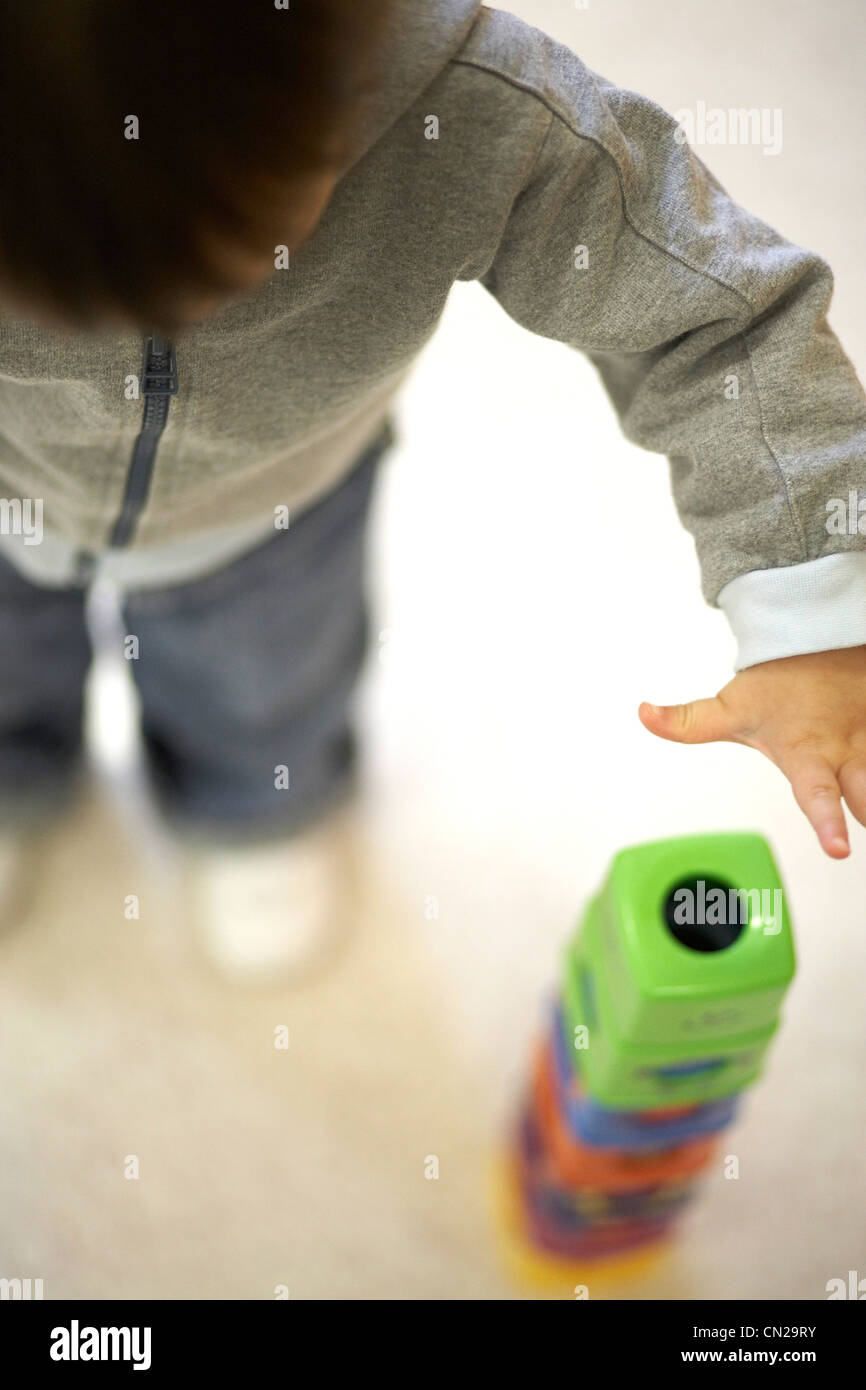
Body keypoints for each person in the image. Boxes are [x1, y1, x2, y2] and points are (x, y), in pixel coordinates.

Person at [0, 0, 863, 978]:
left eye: (223, 263)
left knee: (265, 693)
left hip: (274, 512)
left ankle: (255, 810)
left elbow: (716, 322)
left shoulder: (466, 108)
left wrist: (811, 602)